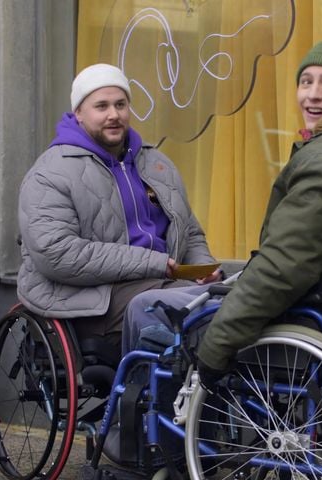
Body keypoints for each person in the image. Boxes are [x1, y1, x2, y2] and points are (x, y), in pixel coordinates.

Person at [122, 40, 322, 387]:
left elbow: (286, 265)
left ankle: (152, 439)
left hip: (299, 314)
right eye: (306, 81)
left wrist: (218, 343)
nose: (312, 94)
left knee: (144, 307)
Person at [17, 63, 221, 349]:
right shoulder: (50, 174)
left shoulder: (156, 163)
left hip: (163, 283)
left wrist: (202, 268)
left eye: (120, 104)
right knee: (194, 314)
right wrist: (155, 264)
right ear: (78, 113)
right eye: (101, 106)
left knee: (224, 302)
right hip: (87, 300)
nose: (114, 115)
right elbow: (57, 254)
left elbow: (189, 231)